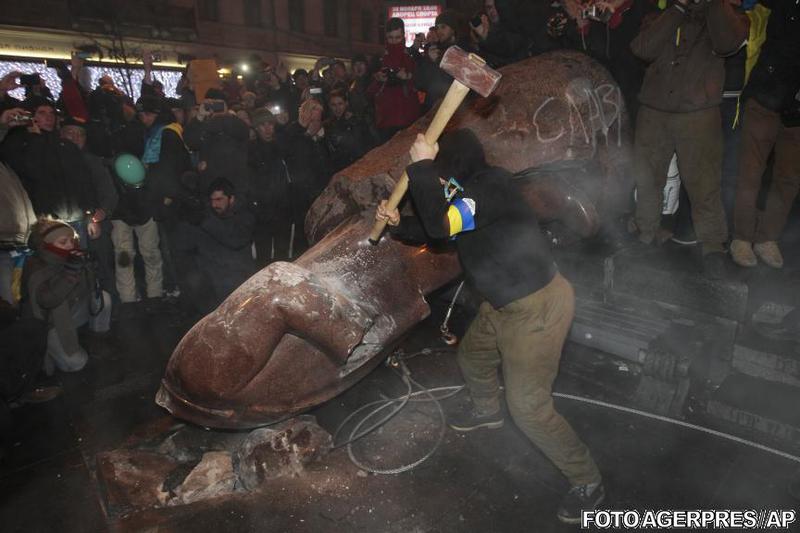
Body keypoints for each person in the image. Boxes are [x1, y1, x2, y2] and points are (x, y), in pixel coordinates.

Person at [376, 130, 603, 524]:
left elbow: (444, 226)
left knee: (529, 408)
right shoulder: (467, 192)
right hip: (503, 303)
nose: (443, 185)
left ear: (457, 168)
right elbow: (441, 229)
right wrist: (398, 224)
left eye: (445, 176)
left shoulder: (493, 185)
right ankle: (486, 410)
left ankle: (588, 481)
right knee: (473, 356)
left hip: (537, 308)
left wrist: (421, 168)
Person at [629, 0, 748, 278]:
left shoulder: (730, 14)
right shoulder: (662, 14)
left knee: (704, 183)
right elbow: (642, 49)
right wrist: (679, 7)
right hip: (653, 110)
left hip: (698, 114)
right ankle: (645, 233)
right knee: (647, 179)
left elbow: (727, 43)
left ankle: (712, 245)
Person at [730, 0, 800, 269]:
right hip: (766, 95)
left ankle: (767, 237)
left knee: (789, 178)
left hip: (796, 108)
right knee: (751, 171)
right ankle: (742, 237)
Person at [21, 219, 111, 374]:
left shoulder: (69, 257)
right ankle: (49, 350)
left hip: (70, 309)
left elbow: (89, 289)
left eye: (72, 240)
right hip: (49, 322)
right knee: (76, 364)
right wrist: (69, 273)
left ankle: (95, 338)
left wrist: (90, 267)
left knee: (104, 298)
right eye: (63, 242)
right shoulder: (37, 265)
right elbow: (48, 300)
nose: (70, 246)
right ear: (46, 244)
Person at [367, 17, 421, 143]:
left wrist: (407, 77)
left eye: (397, 38)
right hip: (386, 121)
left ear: (404, 36)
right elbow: (368, 92)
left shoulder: (412, 58)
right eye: (391, 38)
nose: (394, 42)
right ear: (386, 38)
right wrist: (379, 79)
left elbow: (423, 84)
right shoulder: (378, 60)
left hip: (409, 119)